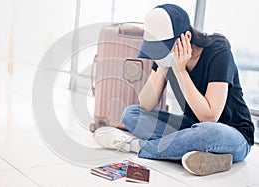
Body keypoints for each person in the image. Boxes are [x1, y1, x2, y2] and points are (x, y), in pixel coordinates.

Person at [93, 4, 254, 176]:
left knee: (207, 131)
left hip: (231, 135)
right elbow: (145, 104)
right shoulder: (166, 56)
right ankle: (199, 153)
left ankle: (135, 145)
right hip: (191, 127)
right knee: (131, 114)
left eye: (164, 46)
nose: (160, 52)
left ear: (186, 38)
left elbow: (209, 117)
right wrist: (162, 67)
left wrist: (180, 71)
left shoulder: (219, 52)